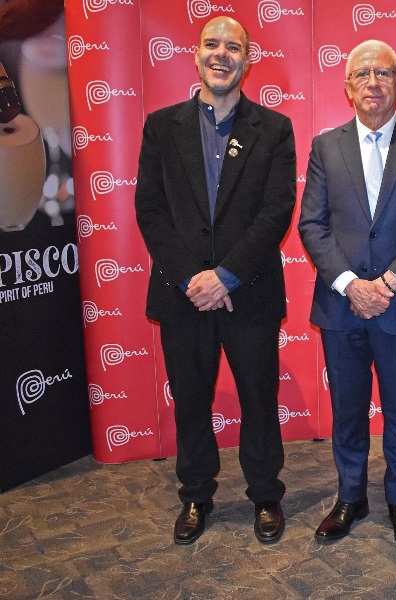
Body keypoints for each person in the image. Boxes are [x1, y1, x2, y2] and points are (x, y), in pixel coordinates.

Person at [135, 16, 296, 546]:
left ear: (248, 60)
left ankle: (266, 493)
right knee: (190, 400)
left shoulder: (275, 128)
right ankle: (196, 494)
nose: (221, 54)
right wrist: (193, 279)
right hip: (182, 295)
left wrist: (225, 276)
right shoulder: (161, 126)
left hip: (248, 291)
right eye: (212, 44)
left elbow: (276, 211)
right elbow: (150, 210)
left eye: (233, 46)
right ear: (196, 54)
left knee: (259, 399)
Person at [298, 40, 396, 549]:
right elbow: (312, 224)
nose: (372, 82)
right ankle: (350, 497)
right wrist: (350, 284)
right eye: (362, 74)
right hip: (340, 305)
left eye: (383, 73)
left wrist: (386, 283)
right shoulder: (326, 146)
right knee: (347, 409)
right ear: (348, 87)